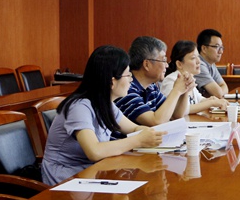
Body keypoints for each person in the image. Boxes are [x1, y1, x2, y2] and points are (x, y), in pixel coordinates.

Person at [42, 46, 165, 185]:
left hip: (92, 173)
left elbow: (134, 128)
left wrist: (154, 135)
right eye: (128, 75)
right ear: (112, 81)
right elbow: (94, 151)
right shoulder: (79, 107)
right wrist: (138, 140)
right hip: (66, 179)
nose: (131, 80)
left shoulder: (105, 103)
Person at [115, 36, 195, 126]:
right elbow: (156, 121)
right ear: (147, 64)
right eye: (163, 60)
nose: (167, 65)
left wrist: (185, 89)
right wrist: (176, 90)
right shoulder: (126, 88)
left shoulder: (151, 87)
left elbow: (175, 116)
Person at [161, 40, 229, 114]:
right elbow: (178, 110)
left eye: (198, 57)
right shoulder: (171, 80)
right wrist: (211, 103)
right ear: (179, 64)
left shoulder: (189, 78)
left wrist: (212, 100)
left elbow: (199, 100)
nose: (198, 61)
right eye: (193, 58)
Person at [195, 28, 229, 98]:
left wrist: (220, 91)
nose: (221, 51)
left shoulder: (211, 63)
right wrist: (219, 92)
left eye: (221, 47)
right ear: (204, 49)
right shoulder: (198, 65)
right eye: (217, 47)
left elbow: (224, 86)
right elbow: (218, 94)